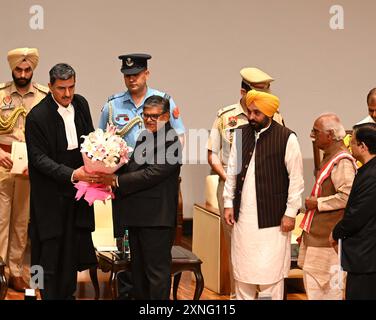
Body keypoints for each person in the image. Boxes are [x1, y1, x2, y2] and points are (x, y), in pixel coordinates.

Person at [25, 63, 101, 299]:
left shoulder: (81, 104)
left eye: (71, 87)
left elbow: (89, 141)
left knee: (71, 254)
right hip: (50, 198)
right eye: (61, 89)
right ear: (50, 87)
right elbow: (38, 160)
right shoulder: (37, 116)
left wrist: (98, 164)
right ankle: (41, 294)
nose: (67, 94)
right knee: (47, 255)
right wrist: (71, 174)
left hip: (76, 197)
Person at [207, 67, 283, 298]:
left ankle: (265, 293)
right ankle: (237, 295)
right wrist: (230, 179)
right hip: (233, 190)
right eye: (258, 92)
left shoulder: (274, 114)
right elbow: (212, 153)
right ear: (244, 91)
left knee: (265, 243)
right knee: (237, 246)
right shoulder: (226, 117)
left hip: (266, 190)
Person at [223, 90, 304, 300]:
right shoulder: (241, 134)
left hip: (274, 222)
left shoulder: (287, 137)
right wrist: (228, 203)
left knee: (270, 275)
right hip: (243, 219)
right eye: (249, 111)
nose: (251, 117)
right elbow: (232, 171)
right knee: (243, 273)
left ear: (269, 113)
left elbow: (296, 181)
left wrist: (290, 213)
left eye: (256, 113)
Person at [102, 95, 182, 299]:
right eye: (146, 116)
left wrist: (117, 181)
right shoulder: (146, 136)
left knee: (156, 274)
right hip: (138, 215)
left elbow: (151, 174)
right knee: (138, 272)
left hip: (157, 220)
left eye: (155, 117)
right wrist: (110, 166)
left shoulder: (172, 141)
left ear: (166, 116)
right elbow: (134, 167)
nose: (149, 120)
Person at [0, 47, 48, 292]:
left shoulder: (43, 95)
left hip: (30, 164)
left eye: (27, 69)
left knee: (21, 220)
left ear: (33, 70)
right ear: (12, 69)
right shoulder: (0, 94)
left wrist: (38, 160)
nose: (22, 73)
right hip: (2, 162)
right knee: (1, 220)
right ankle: (0, 271)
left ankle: (16, 272)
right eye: (18, 69)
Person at [298, 113, 357, 300]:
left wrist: (318, 203)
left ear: (330, 135)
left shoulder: (343, 161)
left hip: (329, 242)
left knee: (329, 293)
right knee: (314, 290)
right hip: (317, 238)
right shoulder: (329, 157)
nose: (312, 136)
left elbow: (347, 196)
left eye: (316, 132)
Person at [98, 53, 185, 149]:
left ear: (146, 74)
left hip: (156, 162)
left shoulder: (164, 101)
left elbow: (179, 135)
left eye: (136, 75)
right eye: (127, 75)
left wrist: (171, 161)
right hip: (122, 163)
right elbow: (100, 138)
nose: (131, 79)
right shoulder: (112, 105)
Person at [330, 122, 376, 300]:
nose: (349, 146)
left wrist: (336, 232)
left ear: (363, 146)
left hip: (367, 256)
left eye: (353, 142)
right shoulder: (368, 170)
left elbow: (358, 214)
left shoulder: (372, 175)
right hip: (365, 255)